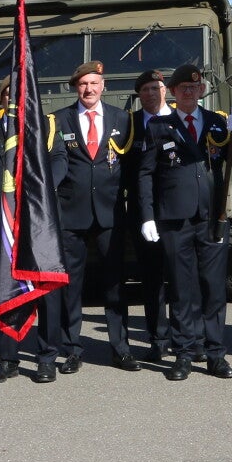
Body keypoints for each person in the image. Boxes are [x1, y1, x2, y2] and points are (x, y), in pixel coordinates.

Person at [136, 64, 232, 381]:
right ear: (172, 92)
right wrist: (147, 216)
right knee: (181, 288)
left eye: (194, 87)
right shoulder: (159, 126)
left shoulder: (216, 123)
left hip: (211, 218)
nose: (189, 92)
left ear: (201, 91)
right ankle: (184, 353)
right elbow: (146, 174)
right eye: (183, 87)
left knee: (214, 289)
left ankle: (215, 354)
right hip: (174, 219)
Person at [0, 99, 64, 383]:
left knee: (46, 291)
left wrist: (42, 187)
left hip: (39, 225)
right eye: (9, 94)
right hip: (2, 228)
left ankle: (47, 359)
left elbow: (60, 161)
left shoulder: (44, 127)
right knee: (5, 292)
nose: (14, 99)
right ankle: (7, 359)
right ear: (3, 100)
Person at [49, 61, 139, 371]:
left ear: (104, 86)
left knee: (114, 283)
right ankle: (71, 348)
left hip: (109, 212)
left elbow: (130, 167)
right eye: (83, 84)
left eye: (94, 83)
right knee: (70, 284)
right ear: (76, 87)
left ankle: (120, 348)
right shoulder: (58, 120)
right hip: (70, 213)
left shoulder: (122, 119)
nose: (89, 89)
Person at [124, 69, 174, 361]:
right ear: (139, 95)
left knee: (182, 278)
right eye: (145, 90)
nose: (151, 94)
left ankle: (186, 337)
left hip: (178, 210)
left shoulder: (180, 120)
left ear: (165, 90)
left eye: (156, 88)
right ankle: (158, 338)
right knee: (151, 278)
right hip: (143, 212)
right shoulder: (129, 124)